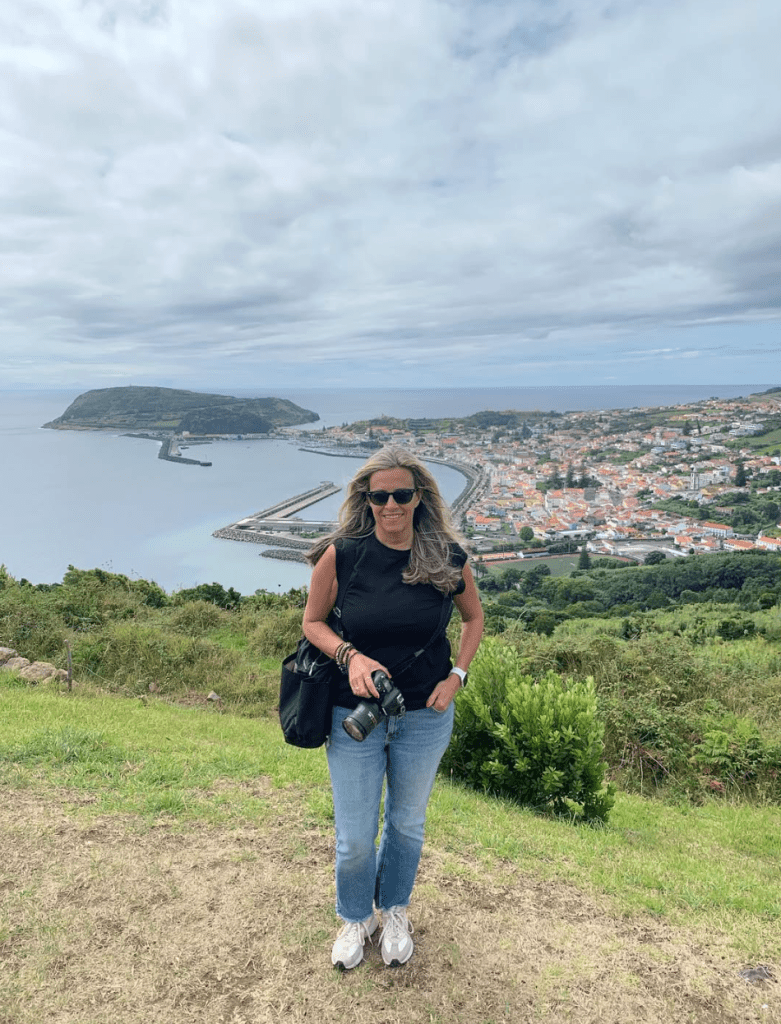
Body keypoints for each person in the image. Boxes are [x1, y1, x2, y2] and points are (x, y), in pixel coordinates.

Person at [302, 446, 484, 970]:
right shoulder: (343, 554)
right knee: (355, 837)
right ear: (366, 500)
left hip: (426, 715)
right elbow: (312, 623)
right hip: (354, 716)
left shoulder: (446, 557)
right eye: (379, 496)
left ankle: (395, 910)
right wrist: (350, 656)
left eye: (401, 495)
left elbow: (473, 619)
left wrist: (457, 676)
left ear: (419, 497)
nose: (390, 506)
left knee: (406, 825)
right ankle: (356, 917)